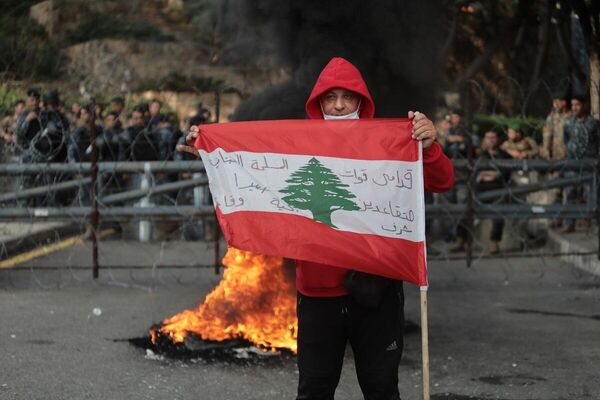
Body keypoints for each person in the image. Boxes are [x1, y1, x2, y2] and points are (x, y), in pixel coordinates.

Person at [180, 57, 454, 399]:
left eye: (348, 97)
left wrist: (427, 147)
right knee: (314, 390)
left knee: (382, 388)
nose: (339, 105)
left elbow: (442, 181)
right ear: (318, 103)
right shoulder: (298, 148)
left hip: (376, 292)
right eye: (330, 97)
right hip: (317, 296)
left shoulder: (389, 143)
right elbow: (252, 163)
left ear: (362, 102)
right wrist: (210, 149)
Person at [561, 94, 600, 233]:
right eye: (572, 105)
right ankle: (569, 223)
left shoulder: (593, 123)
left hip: (589, 164)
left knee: (593, 194)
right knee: (570, 194)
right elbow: (566, 140)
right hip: (573, 164)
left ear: (584, 105)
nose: (575, 108)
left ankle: (596, 224)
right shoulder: (568, 123)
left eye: (577, 105)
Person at [475, 130, 512, 254]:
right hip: (480, 189)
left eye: (493, 137)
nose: (491, 140)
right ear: (484, 139)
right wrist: (490, 174)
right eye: (488, 137)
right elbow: (474, 171)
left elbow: (506, 172)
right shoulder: (480, 154)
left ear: (497, 139)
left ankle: (494, 242)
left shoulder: (505, 155)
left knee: (498, 211)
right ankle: (461, 240)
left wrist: (494, 175)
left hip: (498, 188)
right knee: (464, 206)